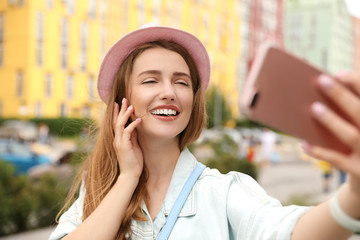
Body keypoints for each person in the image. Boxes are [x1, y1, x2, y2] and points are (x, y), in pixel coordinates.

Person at [49, 24, 360, 240]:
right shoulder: (98, 189)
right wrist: (128, 178)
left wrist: (354, 197)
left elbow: (287, 231)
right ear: (122, 102)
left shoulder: (223, 192)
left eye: (182, 82)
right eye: (150, 80)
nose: (169, 92)